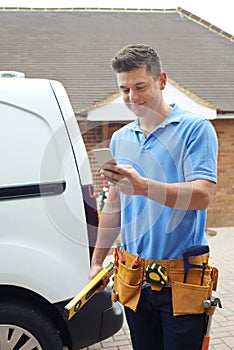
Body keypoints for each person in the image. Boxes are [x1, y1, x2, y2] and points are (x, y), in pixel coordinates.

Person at [89, 44, 218, 350]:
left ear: (161, 81)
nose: (132, 98)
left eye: (140, 87)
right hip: (134, 279)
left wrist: (144, 185)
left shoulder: (195, 130)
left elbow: (202, 196)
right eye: (124, 90)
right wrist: (96, 262)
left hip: (181, 281)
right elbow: (114, 205)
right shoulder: (120, 139)